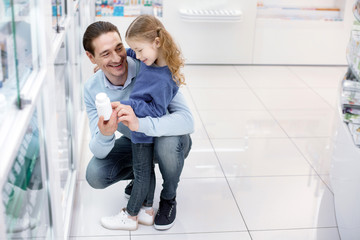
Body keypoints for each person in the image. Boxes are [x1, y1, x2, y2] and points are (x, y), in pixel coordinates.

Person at [82, 21, 193, 231]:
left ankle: (168, 196)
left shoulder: (150, 64)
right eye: (105, 54)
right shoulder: (92, 88)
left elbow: (187, 121)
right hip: (136, 141)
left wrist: (139, 121)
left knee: (168, 145)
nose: (116, 59)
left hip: (166, 140)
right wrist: (106, 134)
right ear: (91, 57)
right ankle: (143, 194)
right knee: (95, 174)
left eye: (119, 49)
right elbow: (97, 149)